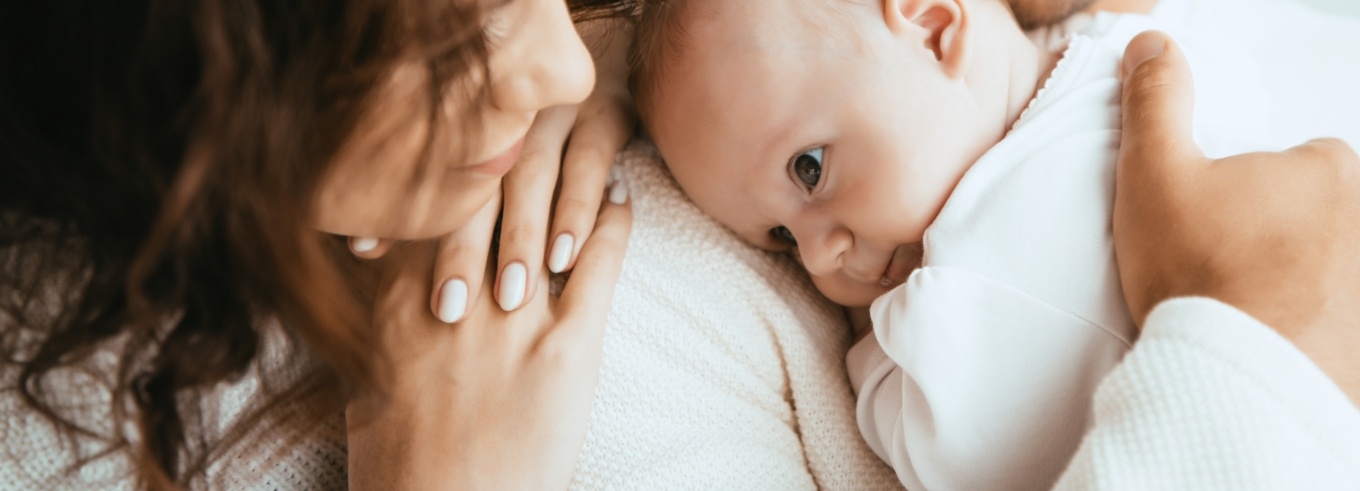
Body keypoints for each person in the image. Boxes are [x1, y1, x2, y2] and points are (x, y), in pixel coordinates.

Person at [630, 0, 1282, 487]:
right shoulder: (1143, 56)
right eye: (780, 238)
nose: (817, 258)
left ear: (938, 31)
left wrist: (870, 337)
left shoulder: (942, 308)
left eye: (810, 168)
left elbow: (948, 457)